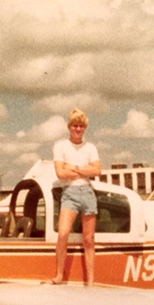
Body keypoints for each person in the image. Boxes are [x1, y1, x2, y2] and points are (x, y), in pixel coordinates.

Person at [49, 108, 101, 286]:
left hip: (87, 193)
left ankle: (91, 281)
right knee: (63, 234)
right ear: (69, 127)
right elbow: (60, 173)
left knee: (89, 240)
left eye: (81, 126)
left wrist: (75, 168)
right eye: (74, 126)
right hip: (69, 194)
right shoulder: (60, 146)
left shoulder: (91, 148)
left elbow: (97, 171)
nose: (78, 129)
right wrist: (85, 171)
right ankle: (59, 275)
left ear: (84, 128)